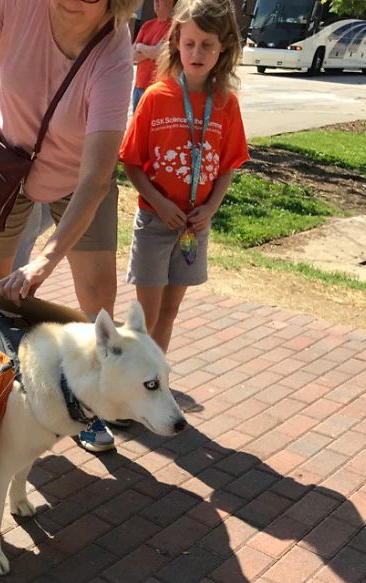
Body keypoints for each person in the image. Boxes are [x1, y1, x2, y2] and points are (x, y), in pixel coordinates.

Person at [0, 0, 138, 454]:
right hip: (8, 161)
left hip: (78, 180)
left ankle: (91, 405)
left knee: (98, 297)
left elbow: (96, 179)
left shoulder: (114, 53)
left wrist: (44, 259)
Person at [120, 0, 248, 356]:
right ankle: (134, 385)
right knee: (146, 315)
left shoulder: (226, 103)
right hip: (155, 221)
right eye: (190, 43)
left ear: (223, 47)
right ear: (176, 42)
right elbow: (130, 162)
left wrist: (210, 208)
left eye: (207, 44)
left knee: (170, 311)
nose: (197, 52)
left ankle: (154, 379)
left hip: (195, 227)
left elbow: (227, 167)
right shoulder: (156, 97)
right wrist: (159, 204)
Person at [132, 0, 174, 110]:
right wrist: (152, 51)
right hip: (139, 86)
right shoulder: (147, 26)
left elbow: (160, 54)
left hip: (157, 87)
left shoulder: (173, 27)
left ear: (170, 2)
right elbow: (132, 56)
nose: (156, 1)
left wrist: (140, 47)